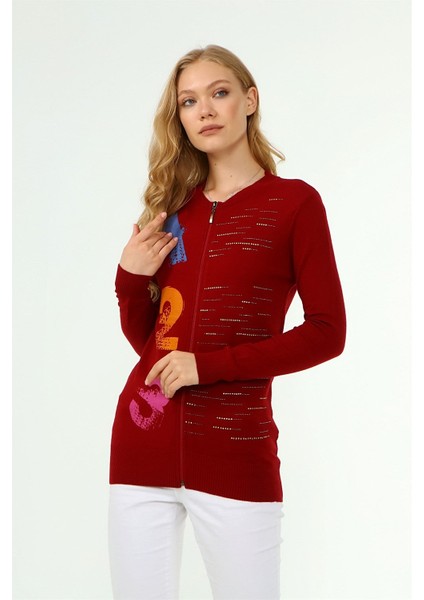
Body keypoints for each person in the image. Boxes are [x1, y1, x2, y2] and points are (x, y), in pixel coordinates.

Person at [108, 44, 346, 600]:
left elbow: (327, 332)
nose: (206, 110)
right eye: (189, 101)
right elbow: (152, 344)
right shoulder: (172, 210)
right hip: (143, 442)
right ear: (180, 118)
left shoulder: (294, 204)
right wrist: (129, 279)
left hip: (235, 451)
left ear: (250, 100)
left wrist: (208, 366)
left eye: (219, 93)